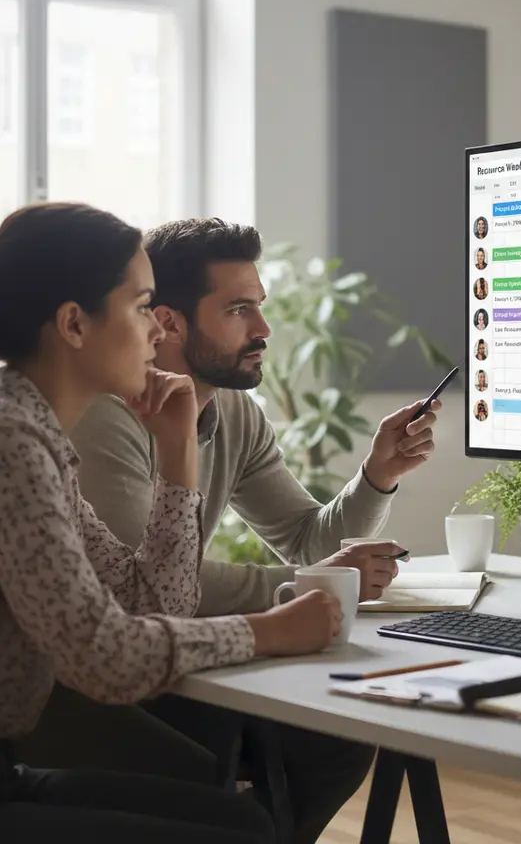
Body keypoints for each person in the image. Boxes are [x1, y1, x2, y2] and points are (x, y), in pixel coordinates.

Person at [14, 218, 441, 844]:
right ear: (76, 326)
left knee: (305, 759)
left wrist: (374, 476)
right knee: (229, 804)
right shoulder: (23, 443)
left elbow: (150, 597)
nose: (153, 329)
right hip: (48, 721)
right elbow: (108, 650)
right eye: (140, 307)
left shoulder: (41, 439)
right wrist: (276, 622)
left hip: (44, 730)